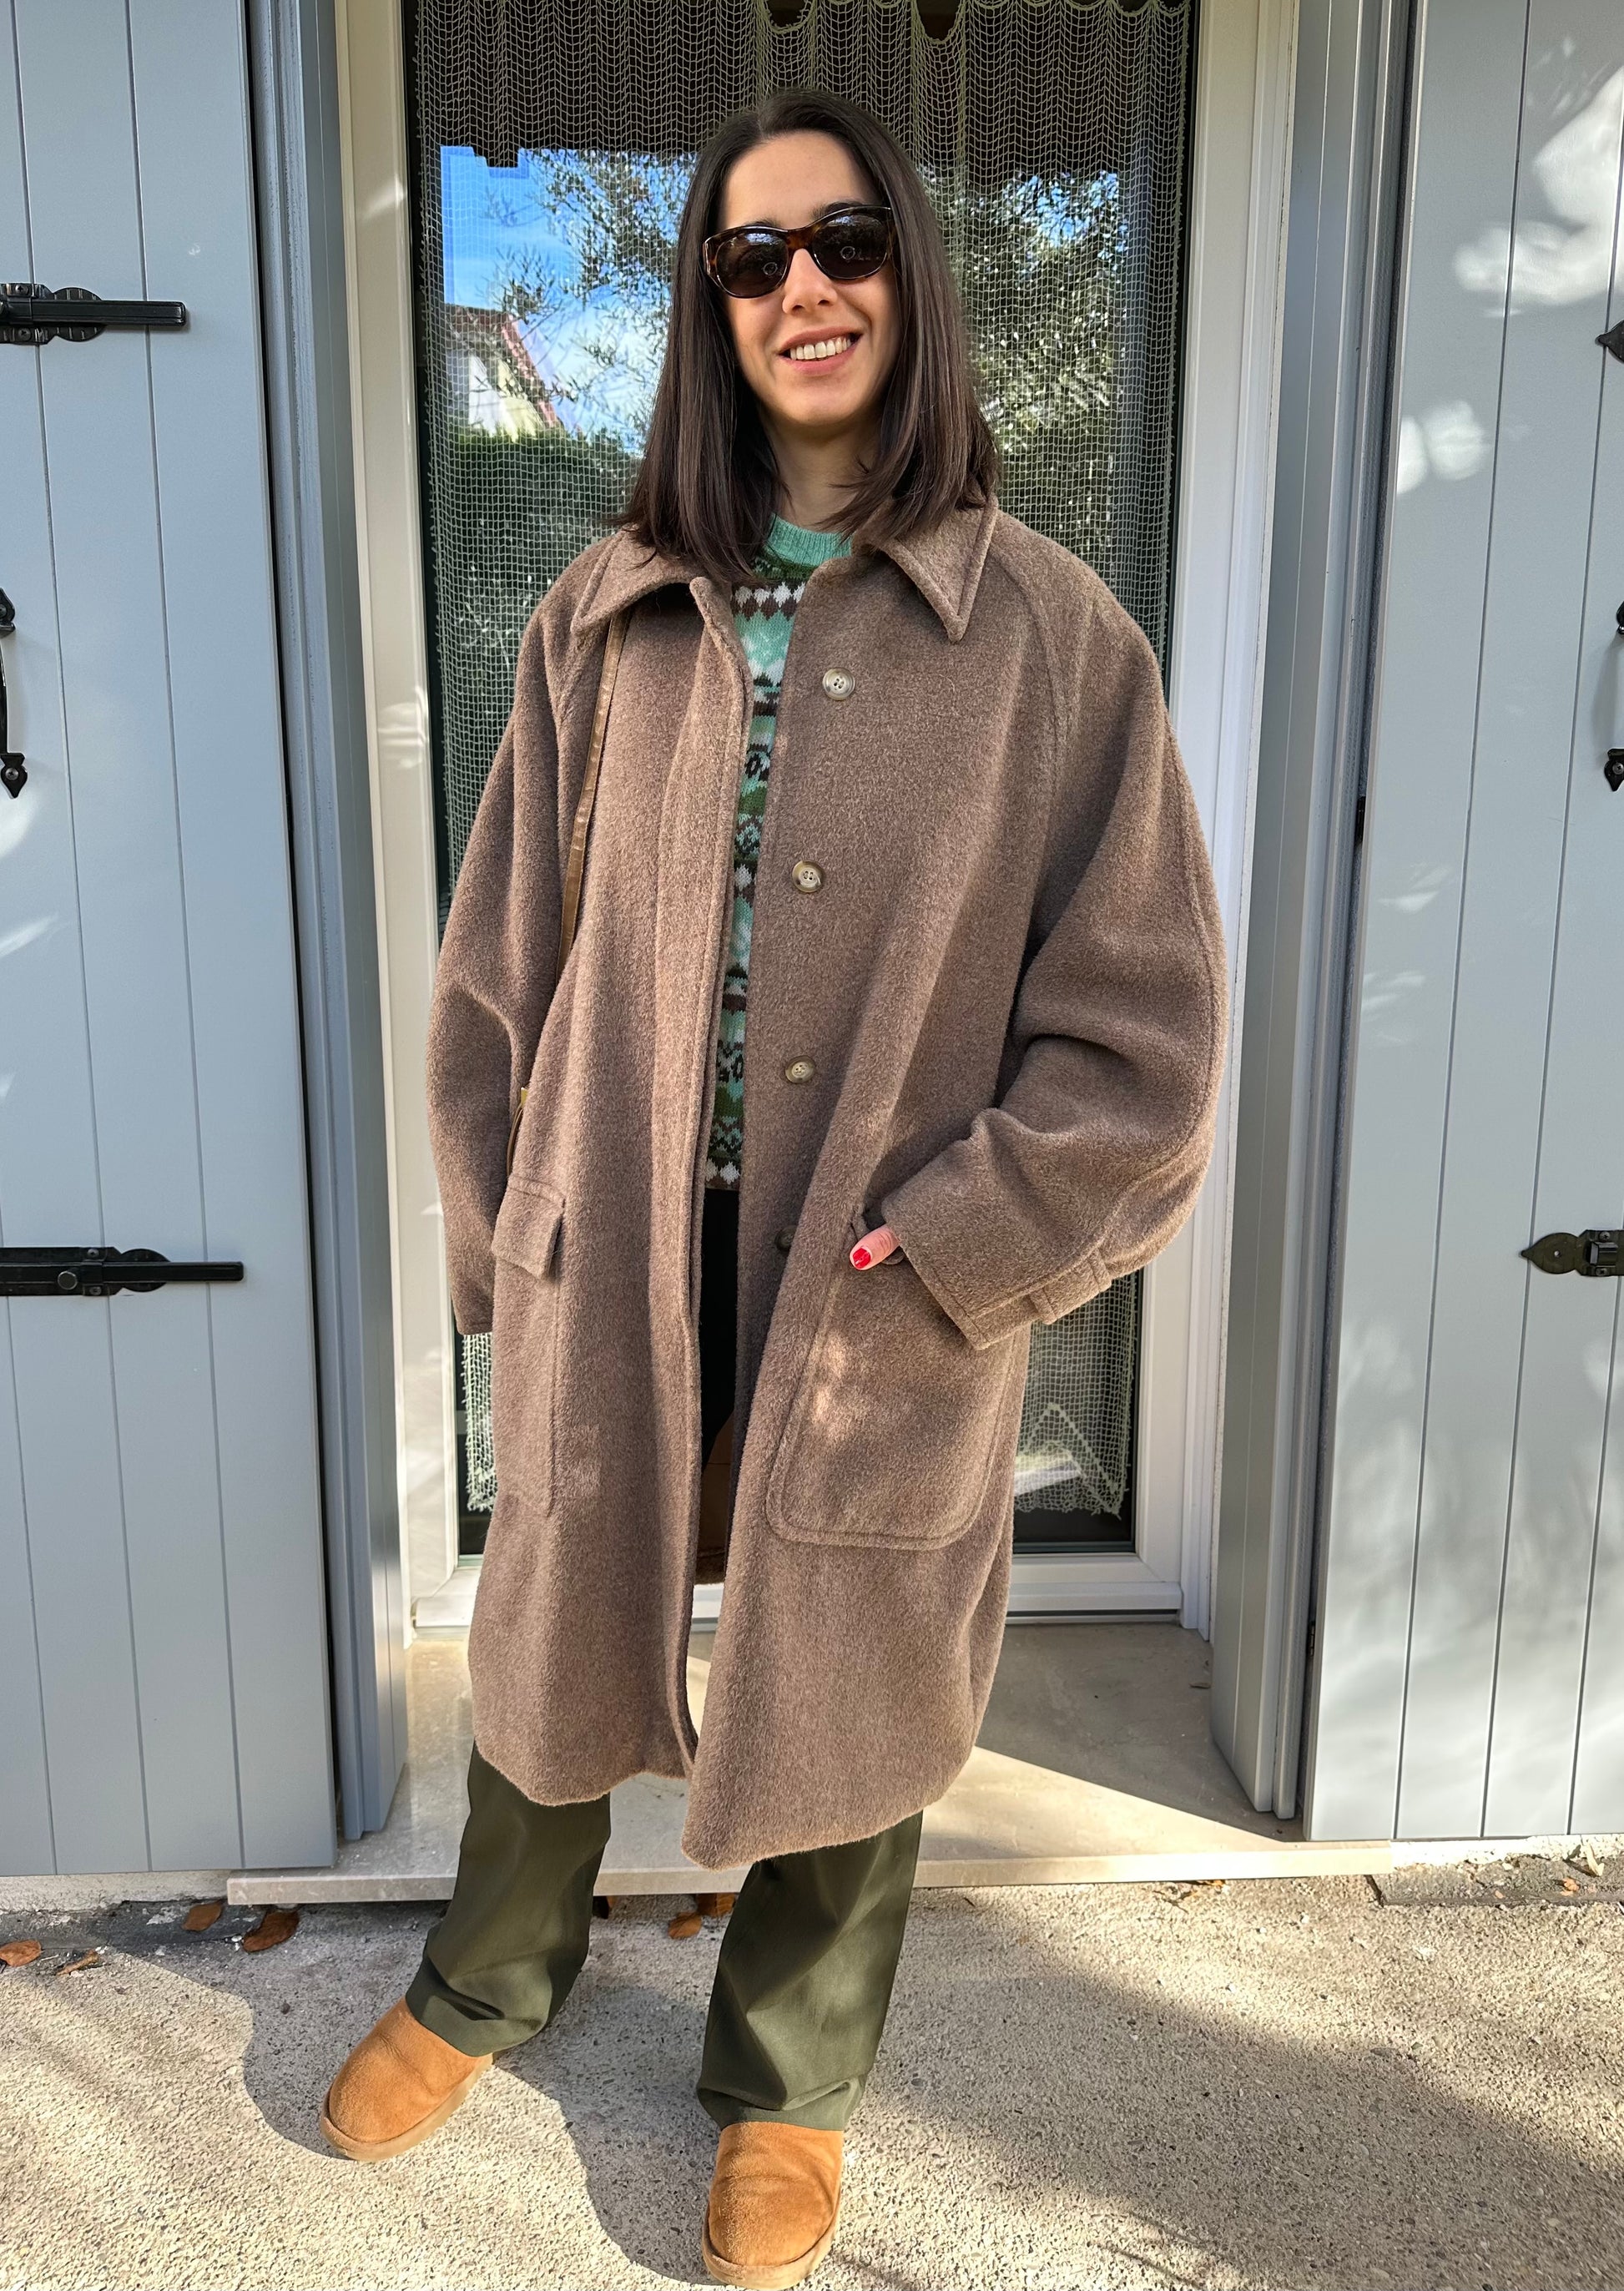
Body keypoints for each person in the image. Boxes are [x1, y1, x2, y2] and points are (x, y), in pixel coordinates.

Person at [320, 85, 1228, 2289]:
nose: (800, 285)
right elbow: (494, 967)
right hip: (618, 1237)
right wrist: (503, 1222)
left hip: (879, 1262)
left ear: (907, 275)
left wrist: (968, 1244)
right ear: (710, 308)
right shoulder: (604, 611)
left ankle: (791, 2079)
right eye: (750, 255)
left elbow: (1141, 1036)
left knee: (855, 1657)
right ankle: (487, 1976)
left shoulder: (1053, 641)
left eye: (842, 241)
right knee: (556, 1613)